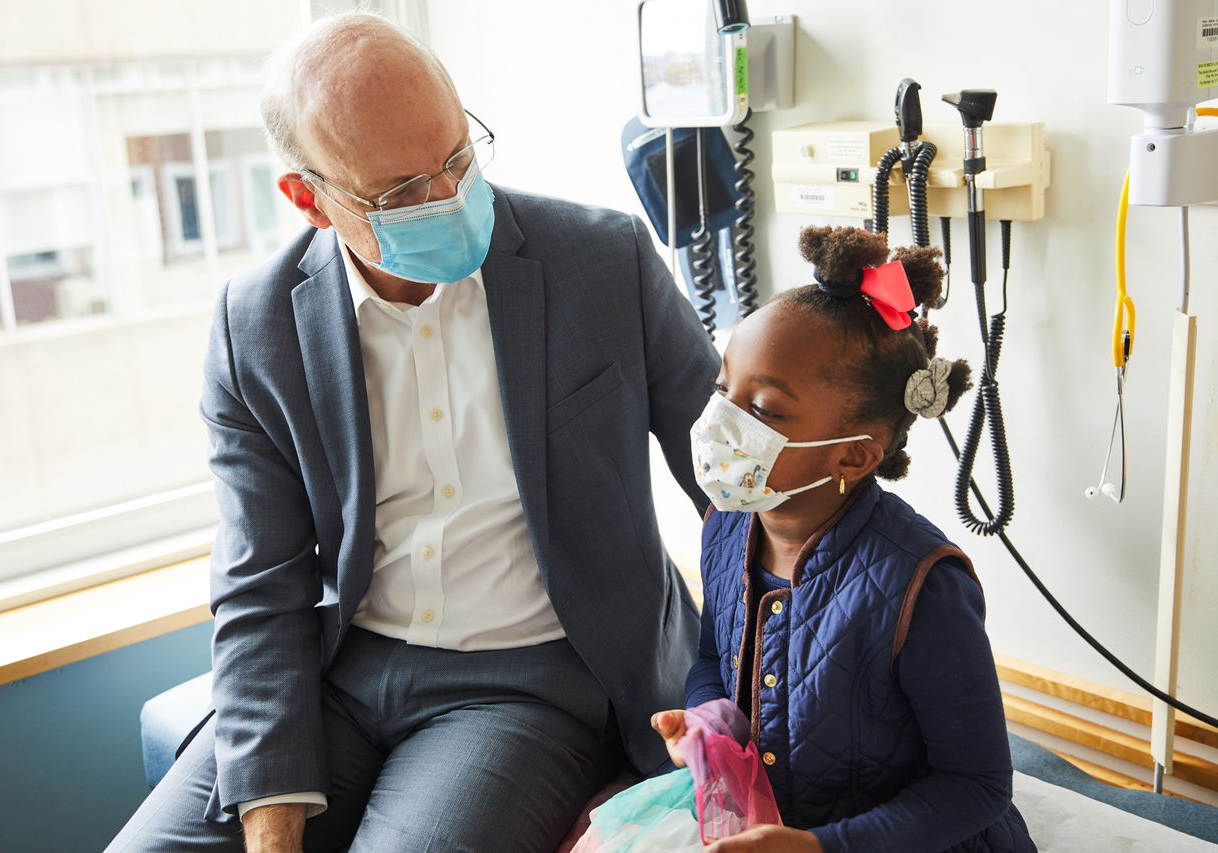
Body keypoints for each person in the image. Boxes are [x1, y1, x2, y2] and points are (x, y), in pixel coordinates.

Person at [106, 11, 719, 853]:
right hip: (340, 671)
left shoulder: (602, 262)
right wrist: (272, 828)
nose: (449, 198)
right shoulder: (254, 328)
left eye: (459, 158)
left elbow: (739, 487)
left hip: (528, 678)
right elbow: (262, 587)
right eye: (401, 193)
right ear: (308, 200)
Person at [649, 226, 1036, 852]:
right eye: (726, 389)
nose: (722, 422)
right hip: (773, 824)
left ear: (854, 457)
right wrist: (708, 722)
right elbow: (712, 661)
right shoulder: (725, 525)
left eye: (767, 409)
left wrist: (824, 848)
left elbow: (977, 785)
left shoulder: (921, 585)